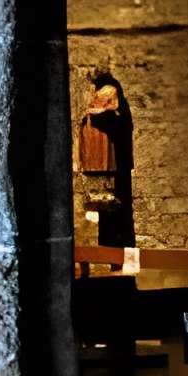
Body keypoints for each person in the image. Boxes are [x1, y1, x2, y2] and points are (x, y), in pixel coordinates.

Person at [79, 67, 135, 250]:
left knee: (120, 219)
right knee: (107, 223)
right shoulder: (103, 119)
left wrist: (100, 111)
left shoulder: (115, 119)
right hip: (104, 170)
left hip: (118, 171)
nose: (97, 104)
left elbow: (108, 119)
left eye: (101, 101)